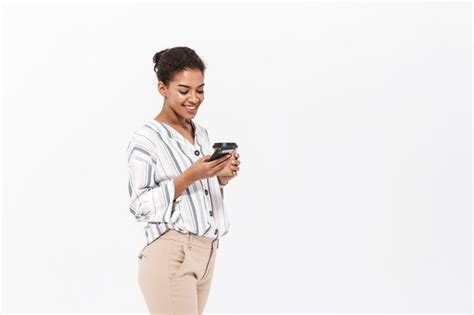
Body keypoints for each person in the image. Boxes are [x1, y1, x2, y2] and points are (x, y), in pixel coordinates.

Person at [126, 46, 241, 315]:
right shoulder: (147, 138)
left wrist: (220, 177)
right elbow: (139, 206)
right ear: (162, 88)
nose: (194, 98)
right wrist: (191, 175)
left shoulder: (200, 133)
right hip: (172, 254)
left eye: (200, 90)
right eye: (184, 90)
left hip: (206, 253)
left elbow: (198, 196)